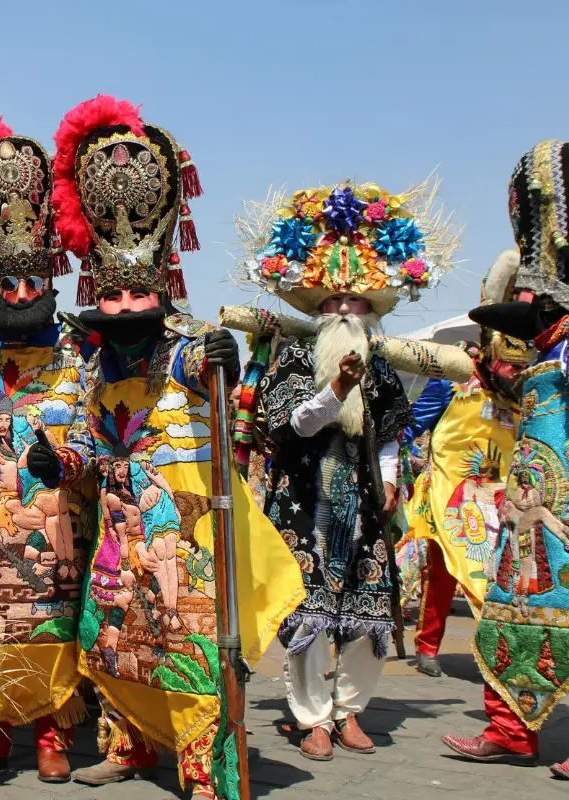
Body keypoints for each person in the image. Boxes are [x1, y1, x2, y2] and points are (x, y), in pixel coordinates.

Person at [50, 97, 302, 797]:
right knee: (116, 645)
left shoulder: (185, 346)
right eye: (115, 293)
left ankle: (203, 765)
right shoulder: (92, 364)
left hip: (181, 531)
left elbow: (204, 371)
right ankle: (127, 745)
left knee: (186, 649)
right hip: (117, 530)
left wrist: (222, 355)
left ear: (160, 284)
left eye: (139, 293)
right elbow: (79, 440)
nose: (127, 305)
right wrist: (58, 463)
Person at [248, 179, 457, 761]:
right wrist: (336, 387)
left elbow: (389, 433)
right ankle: (313, 718)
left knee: (370, 611)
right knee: (311, 610)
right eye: (333, 302)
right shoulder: (293, 356)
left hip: (362, 504)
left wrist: (390, 480)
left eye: (355, 302)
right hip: (302, 499)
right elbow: (295, 426)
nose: (343, 309)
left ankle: (350, 712)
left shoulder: (383, 367)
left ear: (371, 310)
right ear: (317, 308)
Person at [0, 113, 91, 782]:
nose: (23, 296)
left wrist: (66, 463)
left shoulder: (75, 364)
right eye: (10, 286)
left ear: (52, 290)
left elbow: (93, 435)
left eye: (34, 286)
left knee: (49, 626)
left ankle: (54, 732)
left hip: (53, 524)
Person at [443, 140, 569, 780]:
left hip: (559, 514)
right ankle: (510, 730)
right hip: (529, 516)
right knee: (513, 610)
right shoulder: (546, 353)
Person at [403, 250, 528, 678]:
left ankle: (499, 646)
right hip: (451, 491)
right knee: (441, 568)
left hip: (503, 494)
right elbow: (416, 422)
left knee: (502, 573)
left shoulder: (525, 386)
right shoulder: (454, 376)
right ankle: (427, 646)